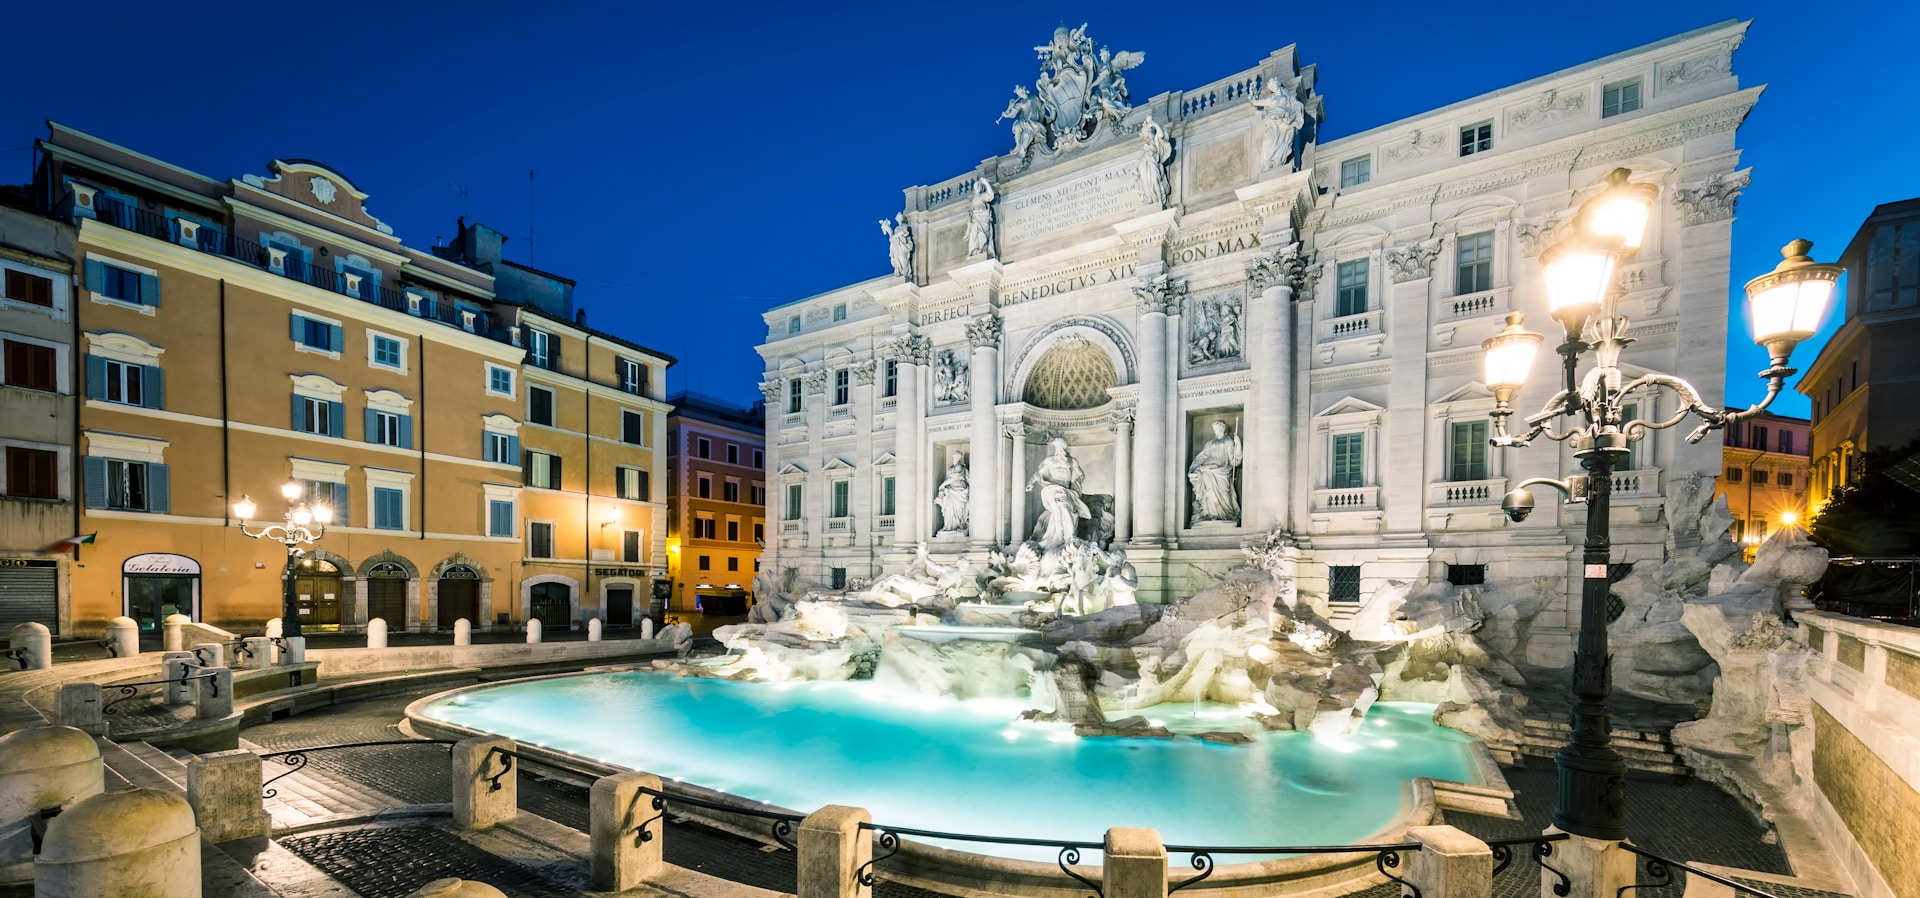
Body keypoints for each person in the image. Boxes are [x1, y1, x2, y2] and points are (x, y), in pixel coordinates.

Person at [1027, 438, 1089, 551]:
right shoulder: (1049, 460)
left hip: (1066, 490)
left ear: (1065, 447)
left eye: (1062, 446)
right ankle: (1064, 537)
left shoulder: (1072, 461)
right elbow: (1038, 474)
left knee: (1063, 509)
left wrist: (1077, 483)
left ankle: (1069, 537)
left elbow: (1081, 474)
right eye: (1058, 446)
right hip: (1052, 488)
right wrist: (1030, 483)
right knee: (1059, 510)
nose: (1060, 449)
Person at [1188, 419, 1244, 524]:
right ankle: (1210, 513)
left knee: (1224, 492)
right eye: (1214, 429)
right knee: (1208, 491)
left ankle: (1226, 514)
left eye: (1216, 428)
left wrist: (1239, 446)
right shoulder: (1210, 443)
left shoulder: (1228, 441)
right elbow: (1203, 456)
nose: (1215, 430)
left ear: (1222, 428)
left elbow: (1234, 461)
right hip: (1208, 470)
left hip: (1222, 471)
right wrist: (1195, 467)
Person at [935, 453, 970, 534]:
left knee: (958, 509)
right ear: (953, 456)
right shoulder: (950, 468)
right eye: (955, 456)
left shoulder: (959, 466)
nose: (957, 458)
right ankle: (949, 527)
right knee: (949, 508)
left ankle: (957, 526)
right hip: (951, 490)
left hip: (959, 490)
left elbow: (955, 478)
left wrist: (943, 485)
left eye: (958, 457)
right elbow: (949, 478)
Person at [966, 180, 996, 259]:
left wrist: (985, 182)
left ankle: (982, 249)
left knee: (981, 233)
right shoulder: (974, 199)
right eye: (976, 186)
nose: (977, 188)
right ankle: (975, 250)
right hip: (975, 218)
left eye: (979, 186)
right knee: (974, 232)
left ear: (981, 188)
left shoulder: (982, 196)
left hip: (983, 218)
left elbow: (991, 195)